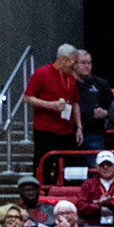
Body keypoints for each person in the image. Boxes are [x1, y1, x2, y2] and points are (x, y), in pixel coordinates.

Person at [23, 44, 82, 182]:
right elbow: (28, 97)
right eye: (72, 60)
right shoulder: (41, 73)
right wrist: (51, 105)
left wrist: (79, 127)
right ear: (62, 58)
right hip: (46, 128)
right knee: (44, 163)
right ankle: (42, 193)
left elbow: (75, 102)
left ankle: (67, 193)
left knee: (69, 164)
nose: (73, 64)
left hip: (66, 129)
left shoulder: (70, 78)